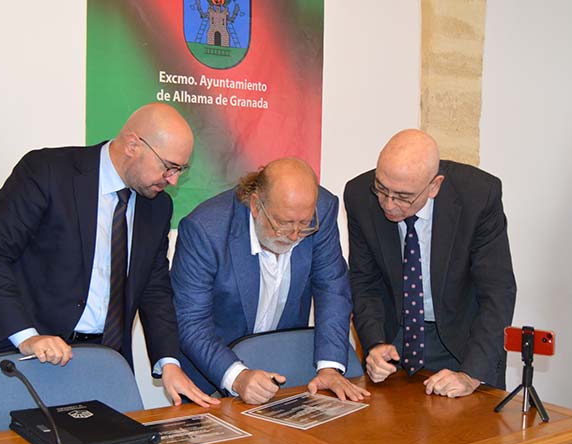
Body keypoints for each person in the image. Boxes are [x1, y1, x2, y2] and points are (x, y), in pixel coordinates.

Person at [0, 103, 219, 407]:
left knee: (115, 440)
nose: (172, 179)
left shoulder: (157, 206)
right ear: (133, 145)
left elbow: (154, 287)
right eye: (168, 166)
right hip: (21, 357)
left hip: (100, 362)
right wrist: (27, 336)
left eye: (179, 170)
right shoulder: (48, 172)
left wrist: (168, 362)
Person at [171, 158, 370, 404]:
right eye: (283, 224)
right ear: (256, 205)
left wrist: (329, 368)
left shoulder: (322, 208)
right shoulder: (206, 230)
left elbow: (332, 288)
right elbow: (190, 321)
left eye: (304, 224)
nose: (295, 236)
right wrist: (237, 377)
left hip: (280, 374)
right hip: (209, 376)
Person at [344, 129, 516, 398]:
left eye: (403, 196)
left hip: (462, 342)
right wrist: (375, 343)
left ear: (434, 186)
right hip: (395, 337)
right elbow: (365, 281)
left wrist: (471, 374)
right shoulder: (359, 195)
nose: (388, 204)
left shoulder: (478, 196)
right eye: (382, 189)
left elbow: (497, 291)